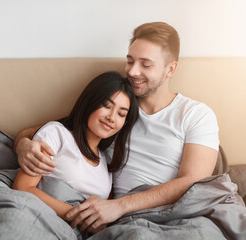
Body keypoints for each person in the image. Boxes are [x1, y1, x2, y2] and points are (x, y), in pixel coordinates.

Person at [14, 22, 219, 233]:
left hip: (170, 212)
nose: (133, 71)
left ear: (171, 69)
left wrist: (119, 206)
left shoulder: (195, 114)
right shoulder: (117, 107)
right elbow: (57, 128)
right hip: (125, 222)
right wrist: (22, 145)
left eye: (145, 65)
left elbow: (194, 181)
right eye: (130, 61)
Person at [12, 71, 139, 223]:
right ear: (90, 102)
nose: (111, 117)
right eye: (106, 106)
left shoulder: (106, 162)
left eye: (121, 114)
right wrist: (80, 217)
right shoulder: (57, 134)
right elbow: (23, 187)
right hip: (41, 219)